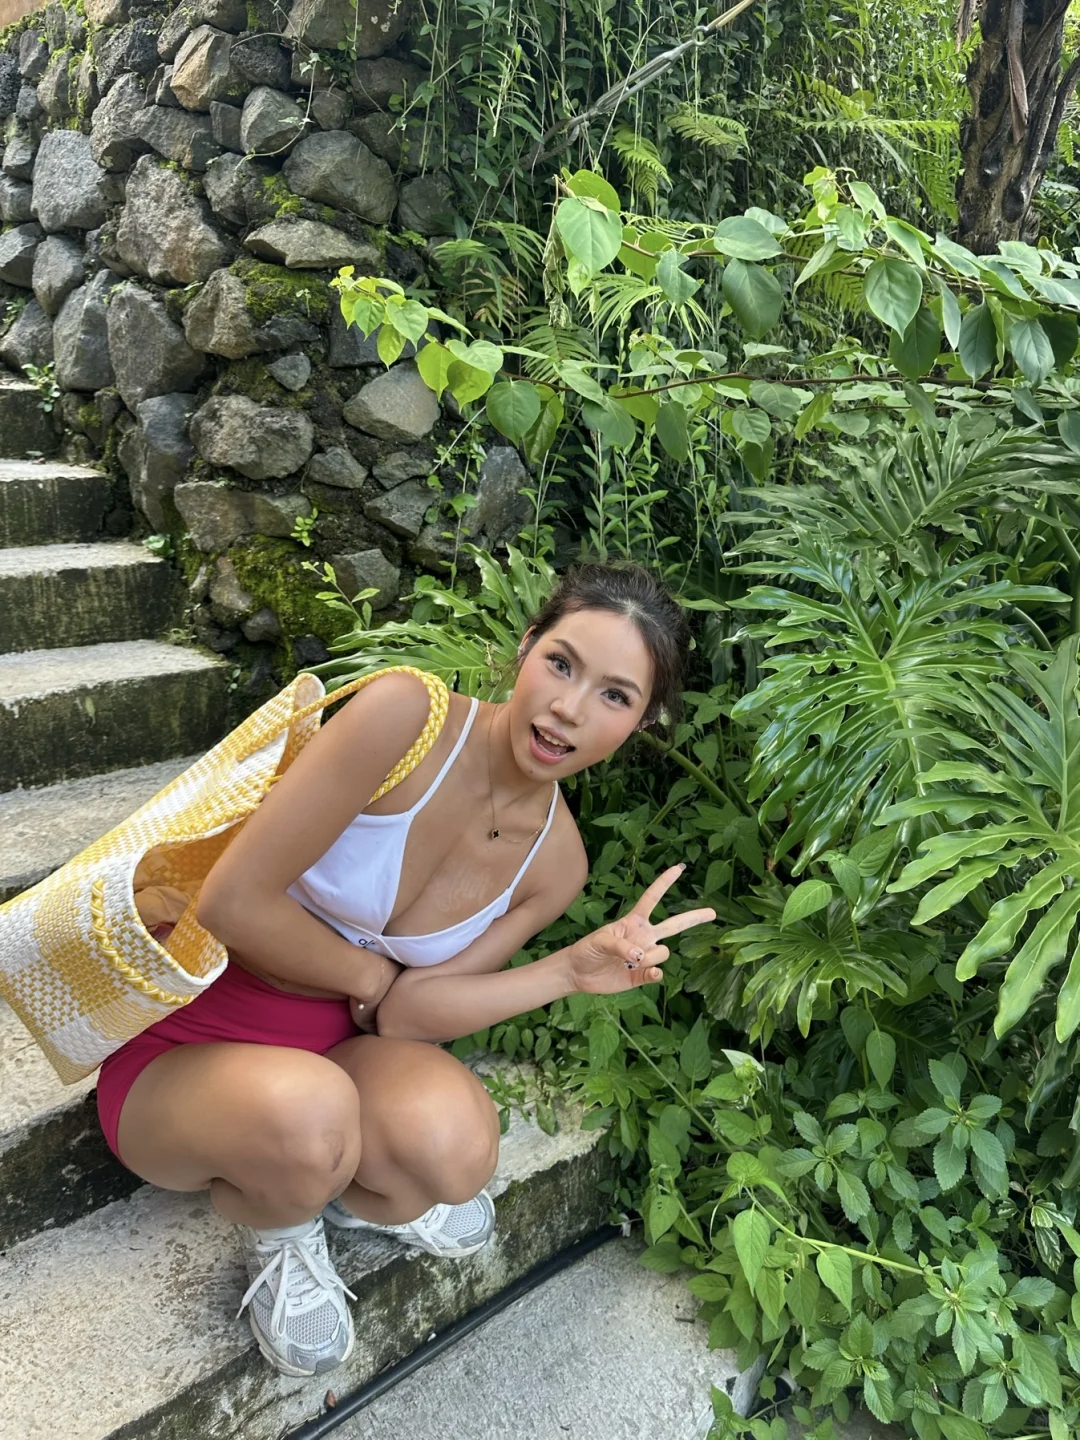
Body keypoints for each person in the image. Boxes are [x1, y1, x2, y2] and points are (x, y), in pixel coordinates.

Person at [93, 562, 716, 1378]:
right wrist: (367, 976)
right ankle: (280, 1220)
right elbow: (233, 903)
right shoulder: (408, 719)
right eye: (561, 663)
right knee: (309, 1120)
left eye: (614, 695)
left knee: (458, 1151)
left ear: (640, 723)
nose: (569, 706)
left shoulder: (557, 864)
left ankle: (323, 1178)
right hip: (186, 1040)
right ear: (526, 647)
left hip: (341, 1055)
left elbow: (409, 1017)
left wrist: (567, 971)